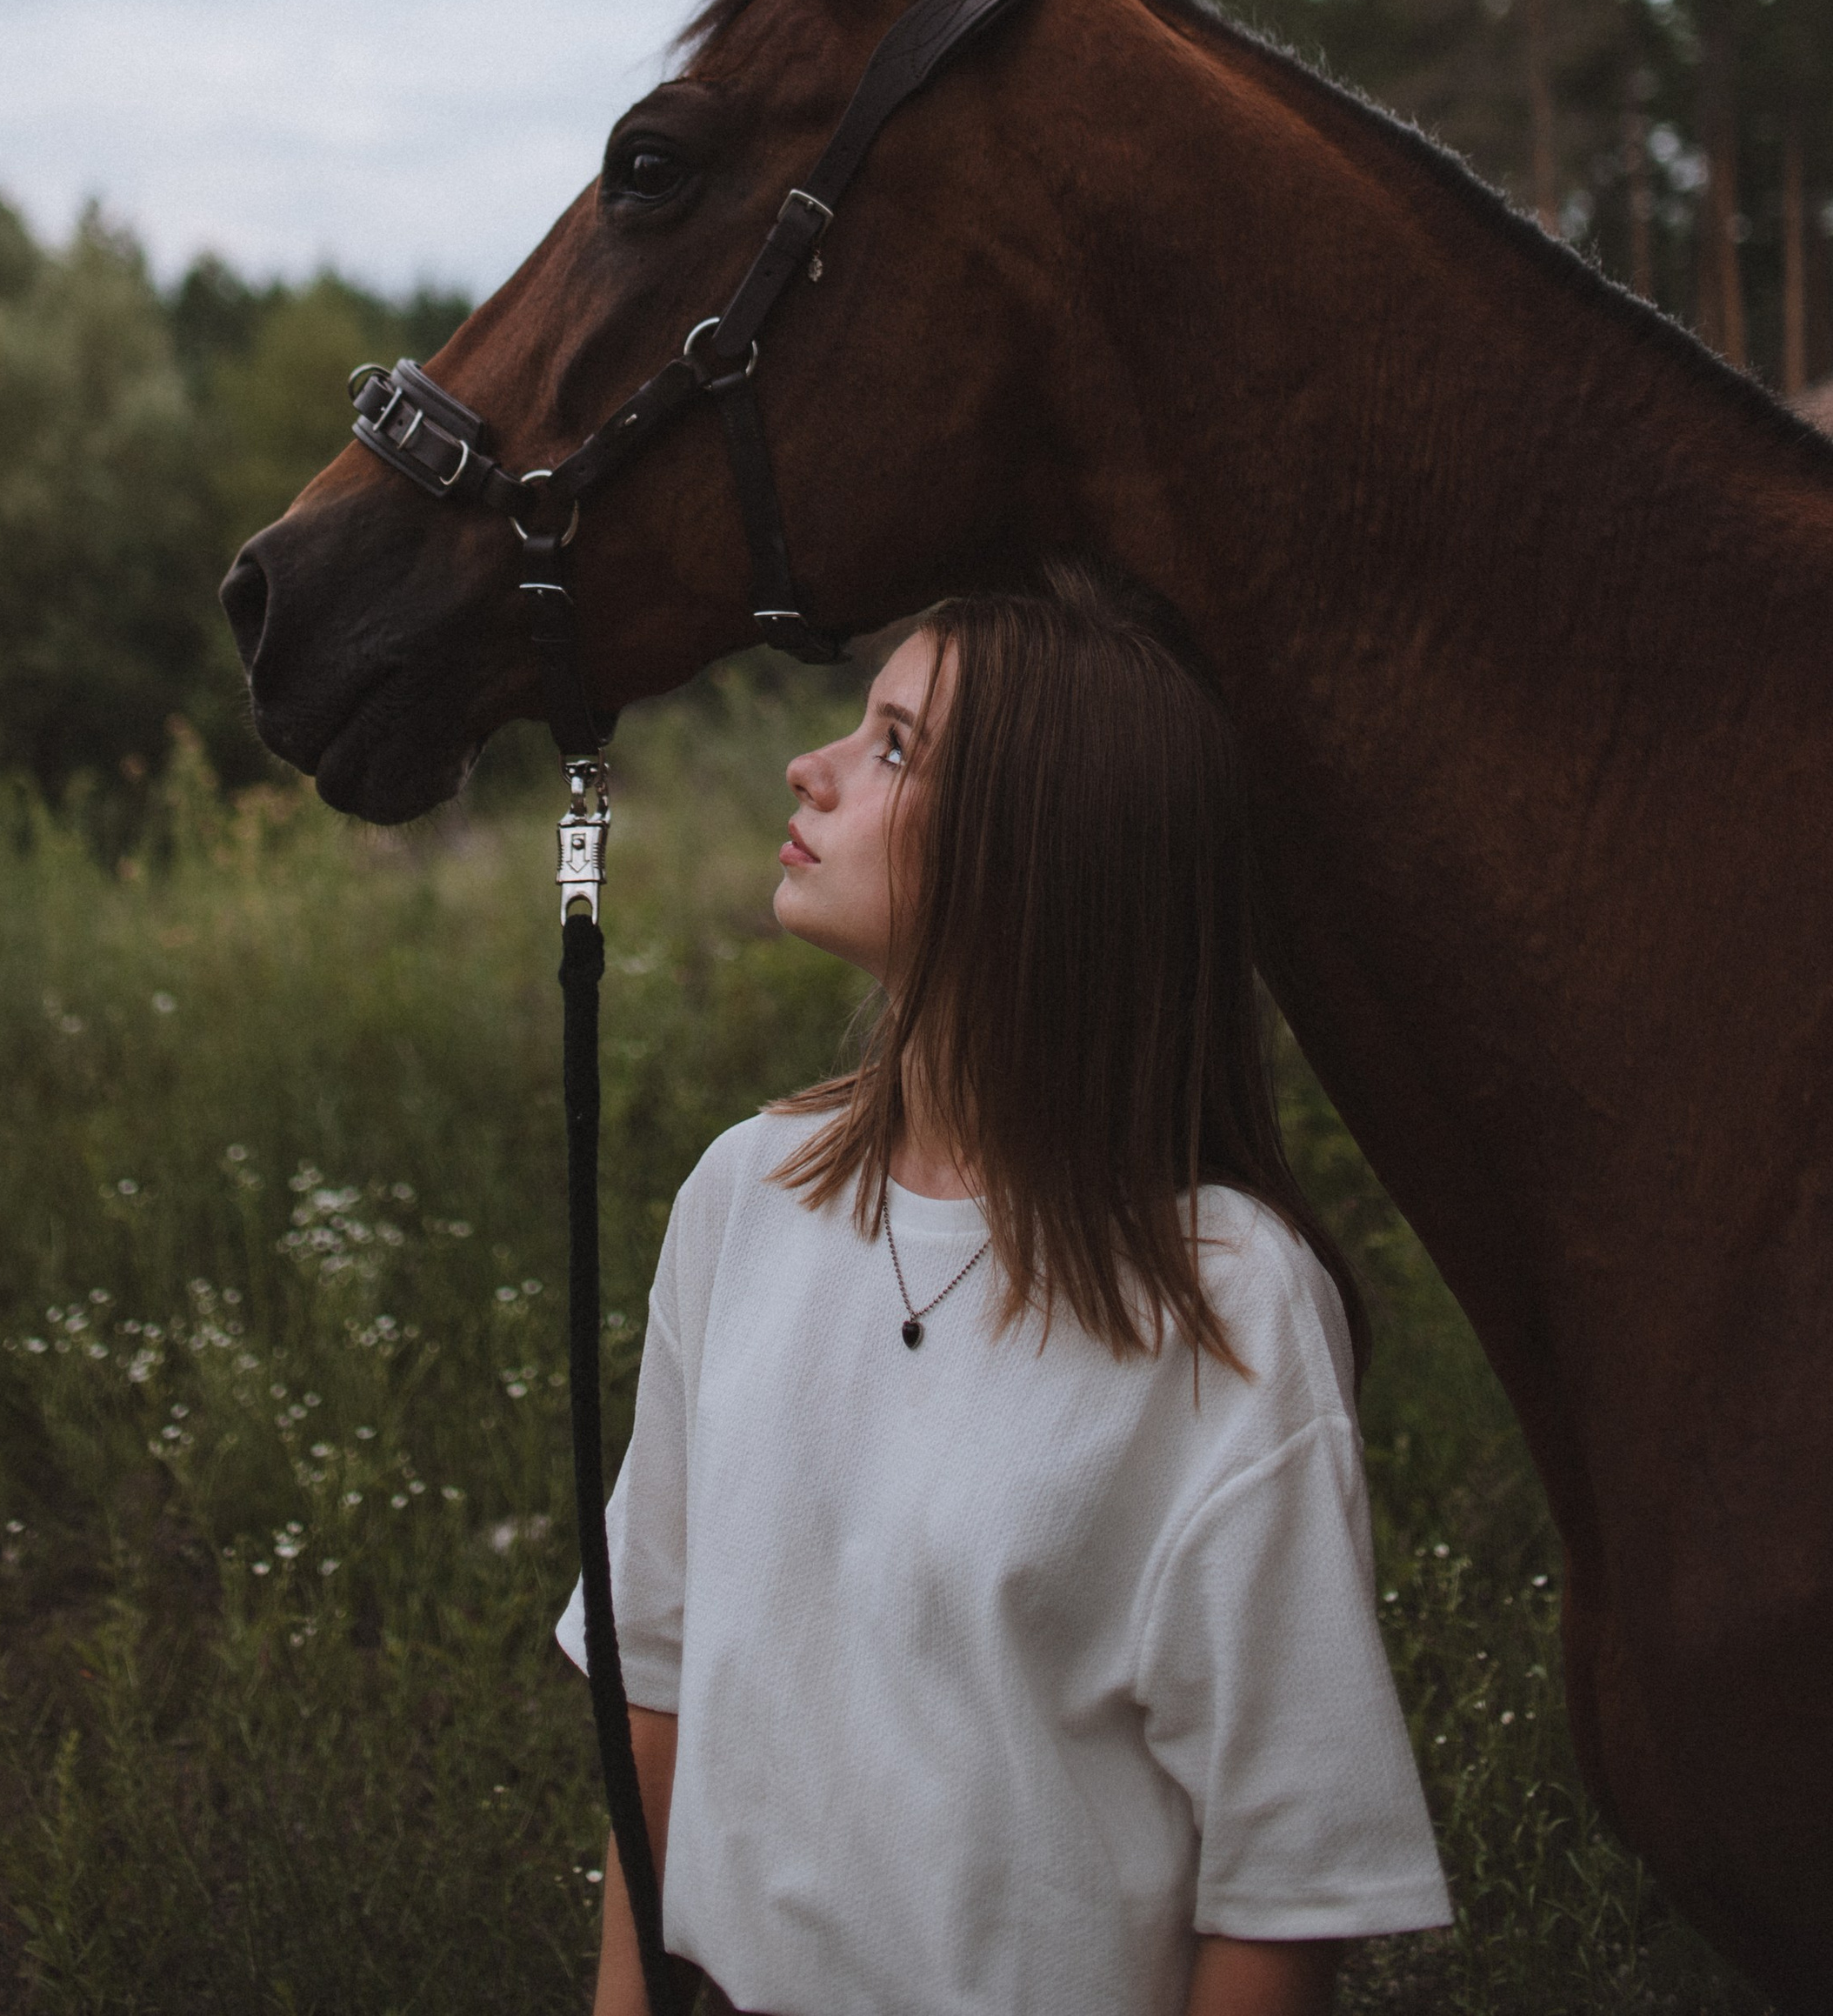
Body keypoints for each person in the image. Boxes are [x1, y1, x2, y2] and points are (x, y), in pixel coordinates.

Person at [558, 562, 1451, 2016]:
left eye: (897, 746)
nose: (815, 767)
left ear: (1039, 849)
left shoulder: (1225, 1301)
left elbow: (1280, 1898)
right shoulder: (746, 1196)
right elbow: (647, 1694)